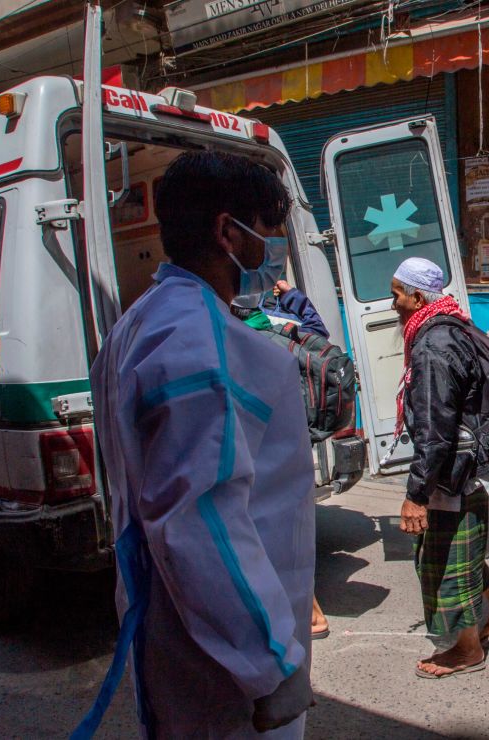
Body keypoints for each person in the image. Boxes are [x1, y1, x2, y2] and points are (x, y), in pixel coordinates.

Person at [86, 152, 315, 736]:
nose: (273, 251)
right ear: (226, 232)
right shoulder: (200, 340)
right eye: (267, 233)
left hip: (176, 629)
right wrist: (269, 664)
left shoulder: (136, 325)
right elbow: (198, 518)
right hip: (224, 665)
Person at [392, 257, 489, 678]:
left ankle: (467, 651)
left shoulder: (433, 346)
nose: (392, 303)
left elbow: (435, 430)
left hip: (455, 473)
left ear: (417, 297)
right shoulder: (453, 327)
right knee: (455, 553)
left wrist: (415, 495)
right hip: (469, 467)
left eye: (397, 293)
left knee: (445, 560)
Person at [231, 280, 331, 640]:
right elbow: (319, 333)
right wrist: (293, 297)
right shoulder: (280, 327)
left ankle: (311, 615)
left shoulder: (238, 341)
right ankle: (307, 612)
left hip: (262, 449)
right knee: (289, 530)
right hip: (296, 442)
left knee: (265, 534)